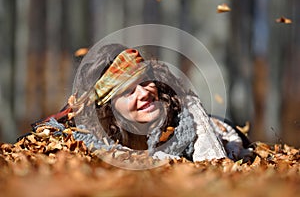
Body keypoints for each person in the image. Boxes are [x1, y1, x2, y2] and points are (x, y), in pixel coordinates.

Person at [31, 43, 253, 162]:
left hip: (222, 130)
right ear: (108, 109)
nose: (144, 93)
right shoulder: (92, 131)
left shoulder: (187, 111)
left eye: (145, 82)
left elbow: (214, 164)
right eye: (127, 92)